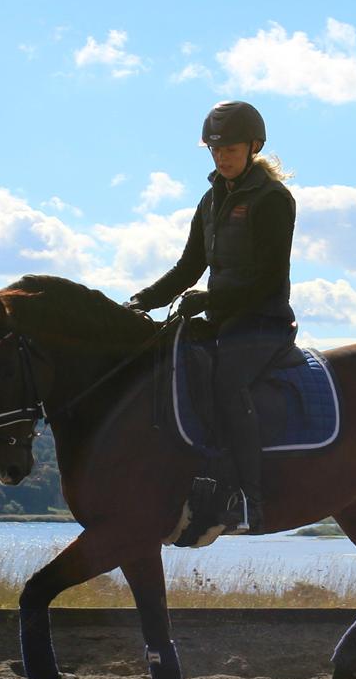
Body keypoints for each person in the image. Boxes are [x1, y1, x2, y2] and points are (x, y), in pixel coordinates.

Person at [125, 100, 297, 532]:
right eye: (215, 150)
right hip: (222, 320)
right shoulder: (209, 199)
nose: (222, 157)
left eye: (231, 150)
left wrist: (209, 300)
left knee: (227, 382)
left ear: (253, 146)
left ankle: (248, 498)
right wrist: (137, 302)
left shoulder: (273, 199)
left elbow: (268, 276)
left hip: (264, 322)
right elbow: (187, 268)